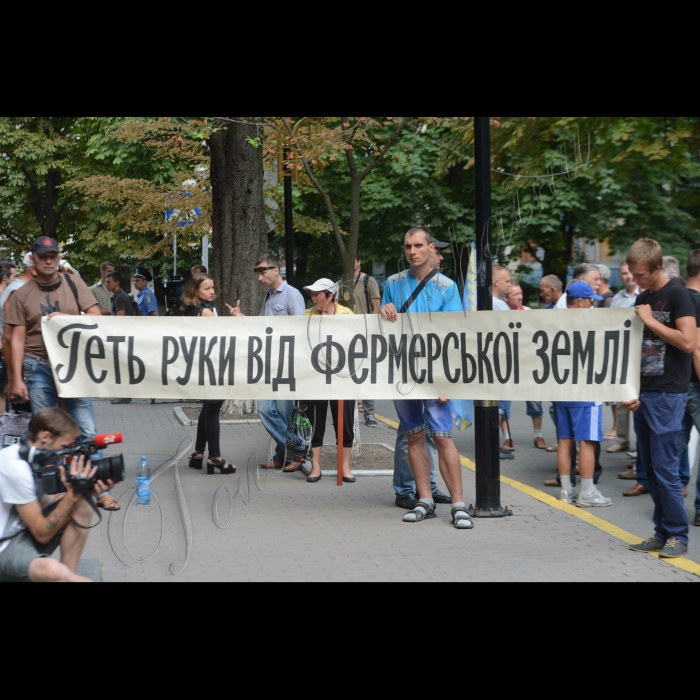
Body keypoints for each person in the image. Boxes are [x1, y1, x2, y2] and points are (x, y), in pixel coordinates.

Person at [6, 237, 120, 513]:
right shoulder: (21, 294)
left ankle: (98, 487)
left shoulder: (73, 283)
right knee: (48, 432)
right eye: (43, 256)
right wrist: (16, 379)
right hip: (37, 367)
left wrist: (68, 321)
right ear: (32, 259)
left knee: (86, 429)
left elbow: (96, 317)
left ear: (58, 258)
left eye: (53, 256)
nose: (48, 260)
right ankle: (57, 490)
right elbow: (16, 339)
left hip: (72, 366)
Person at [382, 227, 474, 530]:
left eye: (418, 245)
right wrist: (384, 311)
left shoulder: (446, 287)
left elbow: (454, 336)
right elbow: (382, 327)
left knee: (443, 438)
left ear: (429, 247)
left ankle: (459, 504)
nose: (412, 251)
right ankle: (425, 499)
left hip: (435, 375)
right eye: (408, 245)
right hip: (403, 372)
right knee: (414, 436)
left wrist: (448, 380)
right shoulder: (393, 284)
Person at [625, 239, 695, 559]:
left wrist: (651, 320)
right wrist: (630, 391)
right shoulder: (643, 296)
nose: (634, 279)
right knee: (650, 469)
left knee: (665, 469)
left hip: (668, 393)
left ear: (657, 269)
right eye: (632, 273)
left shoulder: (678, 295)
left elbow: (687, 342)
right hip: (646, 392)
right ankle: (662, 532)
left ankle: (677, 536)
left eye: (640, 274)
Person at [0, 408, 115, 583]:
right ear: (45, 436)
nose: (66, 454)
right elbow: (42, 534)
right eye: (64, 447)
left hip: (20, 532)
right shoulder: (16, 468)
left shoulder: (33, 459)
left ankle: (68, 574)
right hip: (5, 545)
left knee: (83, 504)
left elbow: (48, 503)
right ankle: (66, 577)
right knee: (51, 570)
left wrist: (86, 491)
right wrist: (72, 495)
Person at [227, 255, 306, 472]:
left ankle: (290, 454)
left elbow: (302, 330)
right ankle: (293, 452)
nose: (260, 276)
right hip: (269, 363)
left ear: (276, 270)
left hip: (286, 364)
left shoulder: (292, 295)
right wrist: (243, 318)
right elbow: (262, 327)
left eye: (263, 271)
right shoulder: (269, 296)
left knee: (284, 413)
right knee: (266, 409)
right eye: (258, 272)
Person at [556, 282, 612, 508]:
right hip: (586, 390)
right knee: (587, 442)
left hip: (561, 389)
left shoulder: (555, 320)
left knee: (564, 441)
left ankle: (566, 490)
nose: (591, 304)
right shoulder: (591, 323)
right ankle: (587, 492)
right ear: (580, 301)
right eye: (589, 300)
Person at [301, 279, 356, 484]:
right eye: (312, 294)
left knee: (346, 422)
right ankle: (315, 466)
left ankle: (345, 467)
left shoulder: (346, 315)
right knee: (315, 422)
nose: (313, 298)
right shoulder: (307, 315)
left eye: (318, 294)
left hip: (343, 379)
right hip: (315, 379)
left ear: (331, 295)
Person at [182, 274, 236, 475]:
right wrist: (236, 319)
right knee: (213, 409)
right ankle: (215, 457)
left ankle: (198, 453)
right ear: (196, 291)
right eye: (207, 288)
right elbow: (225, 337)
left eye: (213, 287)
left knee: (207, 407)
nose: (212, 291)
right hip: (212, 367)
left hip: (199, 367)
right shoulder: (205, 313)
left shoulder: (189, 311)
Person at [674, 251, 700, 527]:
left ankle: (671, 503)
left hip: (676, 382)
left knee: (675, 445)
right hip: (696, 383)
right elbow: (697, 346)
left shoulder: (677, 298)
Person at [1, 255, 34, 415]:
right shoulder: (18, 290)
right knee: (20, 411)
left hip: (16, 357)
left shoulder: (18, 288)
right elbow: (10, 335)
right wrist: (14, 377)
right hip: (16, 358)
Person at [352, 252, 382, 428]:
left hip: (365, 334)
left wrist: (367, 330)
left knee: (367, 374)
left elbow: (376, 308)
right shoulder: (341, 283)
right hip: (347, 337)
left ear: (359, 262)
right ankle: (351, 410)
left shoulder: (368, 281)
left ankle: (370, 413)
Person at [0, 260, 17, 414]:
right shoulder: (4, 299)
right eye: (14, 277)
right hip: (2, 349)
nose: (15, 281)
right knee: (3, 393)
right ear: (5, 278)